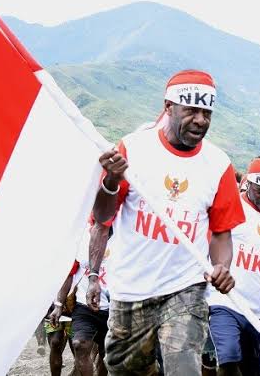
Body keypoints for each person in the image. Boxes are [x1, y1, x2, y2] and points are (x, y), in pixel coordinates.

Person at [87, 70, 245, 375]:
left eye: (207, 113)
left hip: (186, 286)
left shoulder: (218, 165)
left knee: (183, 365)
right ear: (169, 107)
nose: (200, 120)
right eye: (192, 110)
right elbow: (103, 218)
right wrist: (112, 181)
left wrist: (222, 266)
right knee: (125, 369)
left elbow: (221, 233)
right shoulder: (133, 148)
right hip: (132, 288)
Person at [206, 156, 260, 375]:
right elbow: (211, 241)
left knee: (251, 369)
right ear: (249, 184)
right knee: (228, 358)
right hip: (225, 300)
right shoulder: (231, 204)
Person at [51, 224, 110, 376]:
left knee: (106, 353)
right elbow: (69, 274)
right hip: (85, 306)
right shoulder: (81, 240)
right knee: (78, 344)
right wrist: (58, 305)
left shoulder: (125, 236)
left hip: (116, 308)